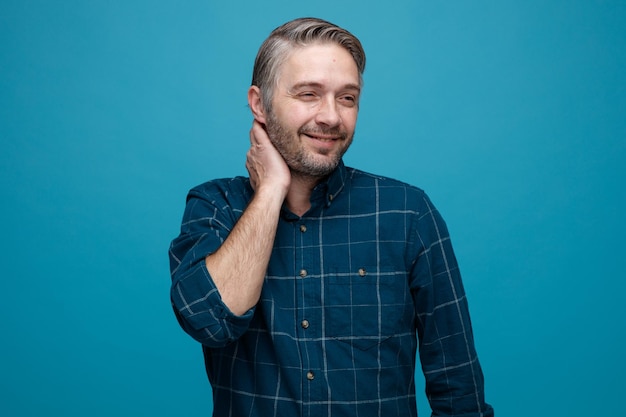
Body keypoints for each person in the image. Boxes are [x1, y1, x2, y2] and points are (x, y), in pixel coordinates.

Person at [169, 17, 494, 417]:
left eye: (347, 98)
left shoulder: (407, 214)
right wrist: (270, 190)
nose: (331, 117)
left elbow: (458, 387)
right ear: (259, 104)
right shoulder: (215, 205)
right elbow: (210, 321)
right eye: (309, 94)